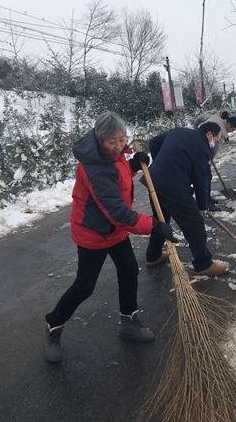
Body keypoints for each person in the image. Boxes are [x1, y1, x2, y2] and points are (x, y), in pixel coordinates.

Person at [43, 112, 177, 363]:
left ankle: (128, 321)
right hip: (93, 233)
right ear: (98, 138)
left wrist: (134, 165)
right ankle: (53, 325)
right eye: (112, 141)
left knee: (129, 271)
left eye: (122, 138)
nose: (118, 145)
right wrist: (155, 226)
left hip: (114, 231)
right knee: (85, 286)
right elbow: (117, 211)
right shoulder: (94, 168)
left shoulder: (110, 156)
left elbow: (118, 173)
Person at [140, 122, 229, 277]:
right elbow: (201, 181)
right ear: (209, 134)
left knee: (161, 219)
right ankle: (204, 264)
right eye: (217, 139)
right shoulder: (202, 149)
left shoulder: (178, 131)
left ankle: (153, 256)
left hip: (153, 180)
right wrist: (202, 206)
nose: (216, 143)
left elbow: (154, 143)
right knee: (194, 223)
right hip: (173, 187)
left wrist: (162, 164)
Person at [192, 112, 236, 211]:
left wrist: (195, 126)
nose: (231, 132)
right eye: (232, 129)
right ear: (228, 124)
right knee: (206, 178)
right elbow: (214, 150)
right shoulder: (221, 131)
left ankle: (207, 198)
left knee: (206, 177)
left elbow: (201, 117)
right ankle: (206, 203)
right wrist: (210, 159)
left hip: (196, 144)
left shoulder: (214, 117)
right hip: (201, 154)